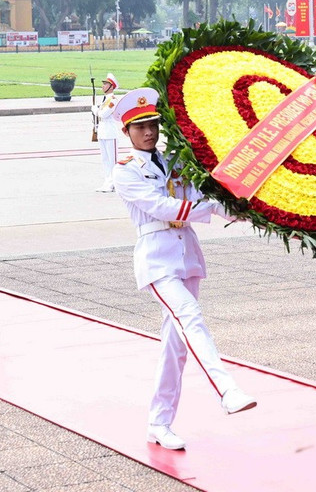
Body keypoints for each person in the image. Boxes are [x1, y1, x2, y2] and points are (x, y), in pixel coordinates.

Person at [111, 88, 256, 451]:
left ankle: (159, 423)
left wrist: (246, 212)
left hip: (187, 254)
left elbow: (203, 198)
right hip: (157, 258)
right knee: (190, 316)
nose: (149, 132)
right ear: (126, 132)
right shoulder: (125, 171)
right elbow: (162, 207)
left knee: (175, 346)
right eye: (140, 126)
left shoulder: (176, 161)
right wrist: (208, 209)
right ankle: (227, 390)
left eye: (153, 124)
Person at [91, 73, 120, 193]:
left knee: (112, 160)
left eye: (105, 84)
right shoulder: (105, 100)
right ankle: (107, 181)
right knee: (105, 160)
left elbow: (103, 114)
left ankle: (113, 183)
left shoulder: (113, 100)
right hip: (103, 131)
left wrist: (95, 110)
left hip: (110, 132)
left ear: (111, 86)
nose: (103, 86)